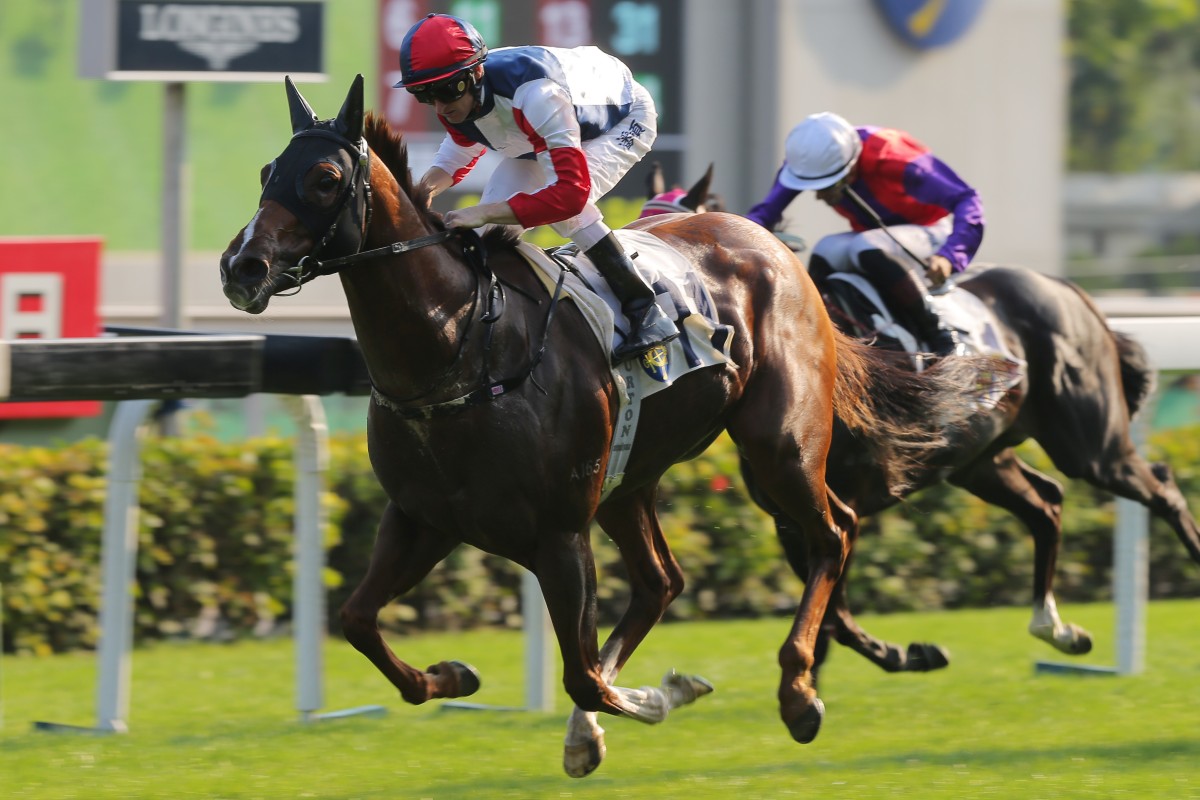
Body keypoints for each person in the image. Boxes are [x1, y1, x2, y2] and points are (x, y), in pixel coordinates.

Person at [395, 13, 676, 363]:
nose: (439, 105)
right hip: (540, 131)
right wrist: (418, 194)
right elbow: (457, 153)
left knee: (565, 213)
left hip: (621, 118)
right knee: (495, 232)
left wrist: (481, 212)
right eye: (424, 94)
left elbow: (569, 196)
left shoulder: (536, 94)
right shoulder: (458, 92)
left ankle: (645, 309)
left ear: (476, 73)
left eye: (446, 90)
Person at [746, 112, 985, 357]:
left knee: (866, 246)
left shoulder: (896, 160)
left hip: (930, 229)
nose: (819, 196)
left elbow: (967, 198)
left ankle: (944, 339)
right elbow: (766, 213)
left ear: (850, 168)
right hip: (876, 240)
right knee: (824, 249)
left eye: (828, 187)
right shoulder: (810, 163)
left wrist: (950, 255)